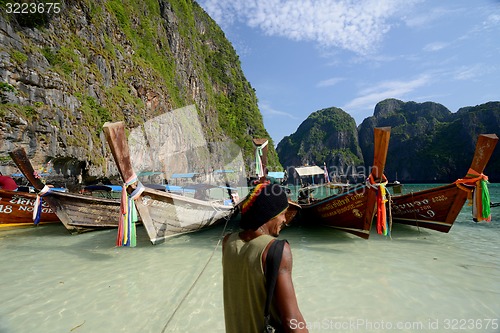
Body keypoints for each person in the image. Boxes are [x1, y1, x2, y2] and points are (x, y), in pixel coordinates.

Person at [222, 183, 308, 333]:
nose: (284, 220)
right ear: (270, 215)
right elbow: (292, 319)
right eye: (283, 214)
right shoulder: (276, 250)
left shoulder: (228, 243)